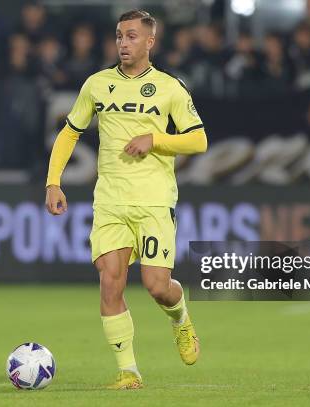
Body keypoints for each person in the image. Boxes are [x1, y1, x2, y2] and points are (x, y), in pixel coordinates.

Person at [45, 9, 207, 389]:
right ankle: (128, 371)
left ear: (150, 42)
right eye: (119, 36)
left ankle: (180, 317)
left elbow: (198, 139)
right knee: (110, 281)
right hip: (111, 201)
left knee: (156, 286)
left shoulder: (169, 87)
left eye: (132, 36)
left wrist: (156, 139)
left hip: (153, 200)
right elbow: (70, 133)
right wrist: (53, 182)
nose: (123, 43)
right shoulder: (98, 84)